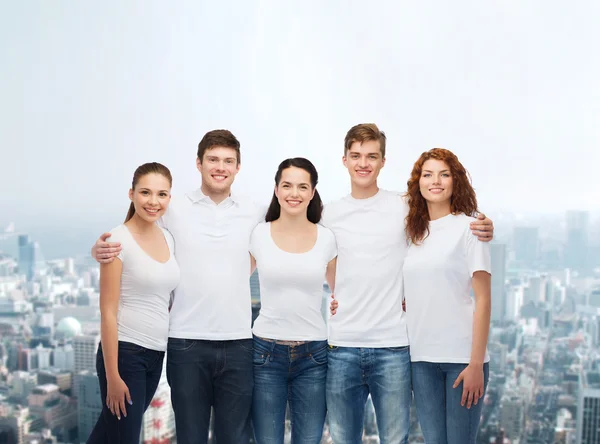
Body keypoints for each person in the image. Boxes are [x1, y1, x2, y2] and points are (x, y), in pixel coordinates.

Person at [324, 124, 494, 444]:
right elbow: (309, 247)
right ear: (344, 160)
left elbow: (480, 290)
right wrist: (334, 292)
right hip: (400, 353)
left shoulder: (407, 209)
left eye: (372, 155)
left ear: (383, 162)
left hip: (403, 348)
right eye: (356, 155)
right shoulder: (331, 214)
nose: (364, 162)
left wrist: (484, 224)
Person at [92, 130, 264, 444]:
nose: (220, 166)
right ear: (198, 163)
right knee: (190, 437)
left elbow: (288, 233)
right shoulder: (174, 207)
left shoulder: (254, 210)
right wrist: (100, 250)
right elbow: (136, 231)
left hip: (238, 341)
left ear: (239, 167)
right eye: (213, 159)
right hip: (185, 343)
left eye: (228, 161)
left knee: (235, 438)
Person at [403, 148, 491, 444]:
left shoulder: (471, 228)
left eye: (444, 174)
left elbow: (484, 299)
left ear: (456, 181)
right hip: (421, 359)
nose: (435, 181)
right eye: (427, 175)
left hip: (461, 359)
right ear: (418, 182)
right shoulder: (411, 233)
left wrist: (476, 364)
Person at [87, 162, 180, 443]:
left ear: (169, 198)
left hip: (155, 355)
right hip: (126, 355)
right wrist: (113, 376)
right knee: (123, 438)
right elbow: (107, 312)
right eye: (145, 193)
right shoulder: (117, 241)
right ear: (131, 194)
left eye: (162, 194)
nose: (153, 201)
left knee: (108, 434)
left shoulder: (167, 237)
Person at [249, 158, 337, 443]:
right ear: (276, 190)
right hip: (265, 353)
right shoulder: (259, 234)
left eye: (302, 187)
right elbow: (232, 282)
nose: (294, 193)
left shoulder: (326, 239)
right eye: (287, 185)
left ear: (312, 192)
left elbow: (343, 292)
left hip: (313, 356)